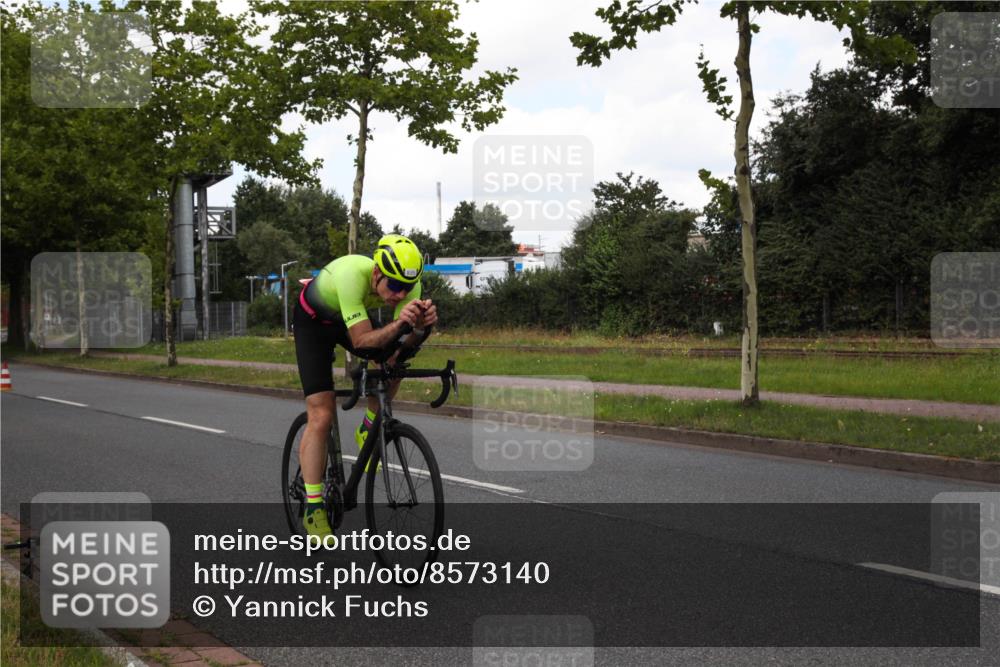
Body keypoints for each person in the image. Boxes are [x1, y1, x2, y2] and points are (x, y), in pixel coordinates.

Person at [293, 234, 437, 539]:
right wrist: (400, 325)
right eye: (394, 286)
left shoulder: (409, 288)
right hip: (314, 322)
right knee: (321, 415)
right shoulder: (350, 274)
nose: (401, 294)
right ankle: (314, 508)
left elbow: (400, 347)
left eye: (407, 287)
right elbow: (361, 341)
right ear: (376, 273)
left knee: (393, 364)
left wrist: (422, 330)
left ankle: (368, 426)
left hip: (348, 317)